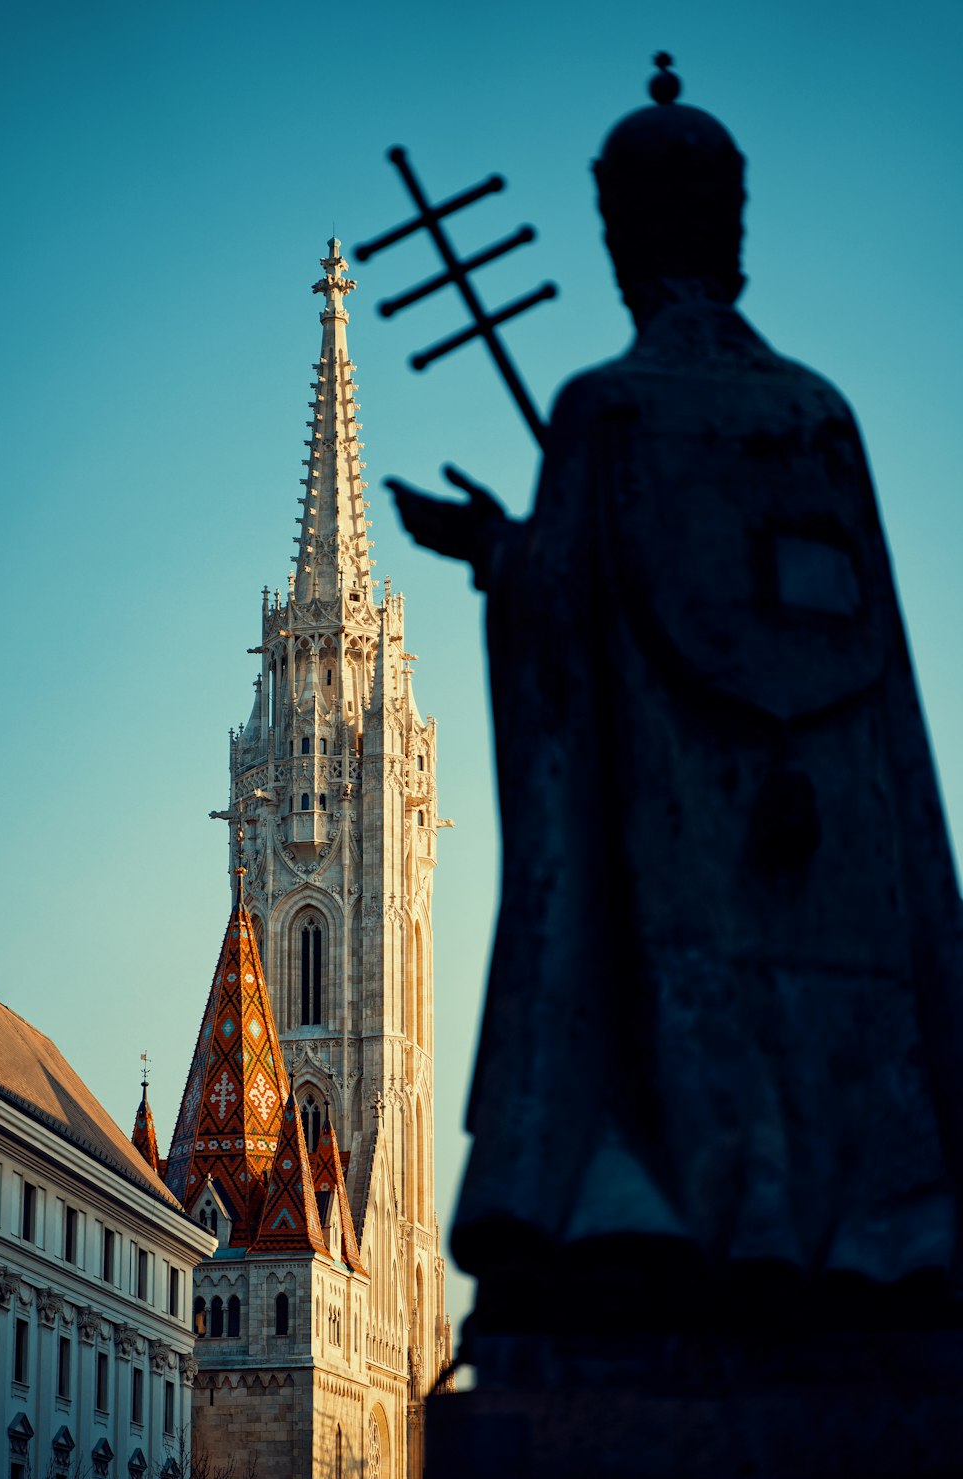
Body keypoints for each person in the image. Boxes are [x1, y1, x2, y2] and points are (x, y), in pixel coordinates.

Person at [389, 57, 963, 1338]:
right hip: (839, 858)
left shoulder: (606, 413)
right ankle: (878, 1241)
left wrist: (495, 550)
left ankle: (673, 1225)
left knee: (668, 1026)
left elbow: (572, 614)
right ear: (735, 231)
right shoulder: (821, 413)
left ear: (616, 240)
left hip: (677, 842)